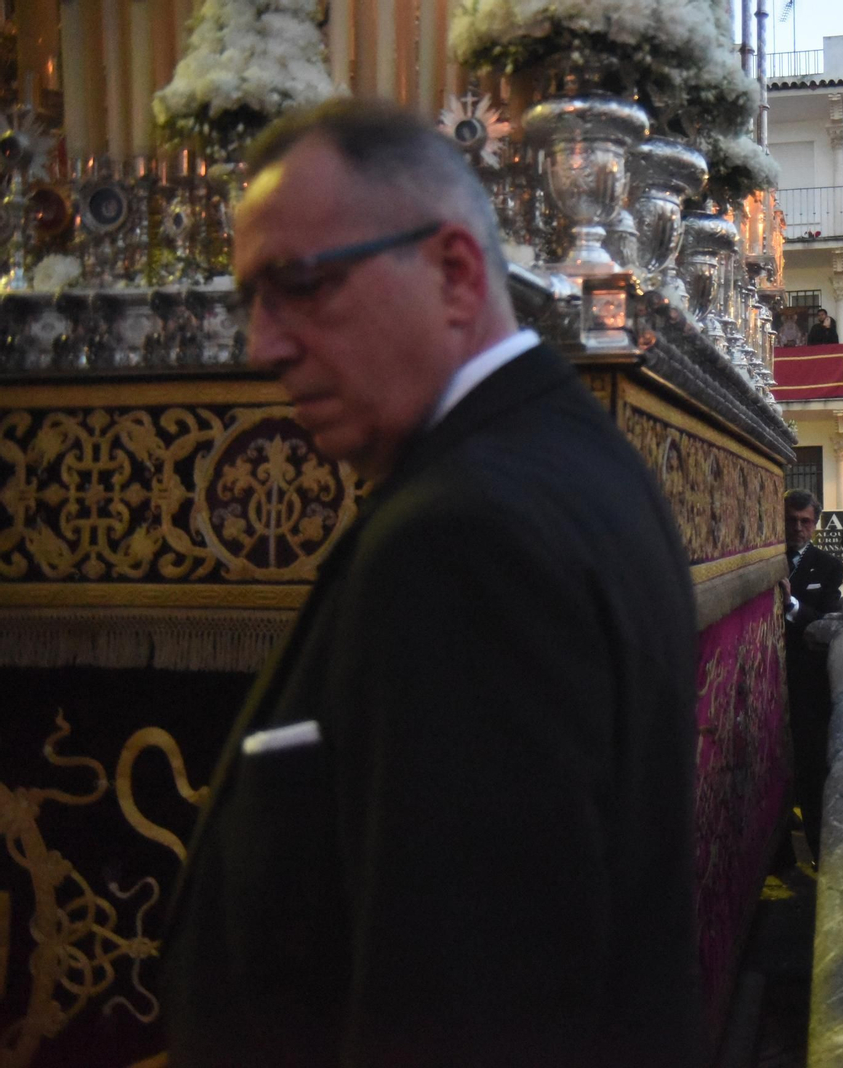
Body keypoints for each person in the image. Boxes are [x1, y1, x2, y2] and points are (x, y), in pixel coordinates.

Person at [162, 100, 703, 1066]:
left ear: (453, 272)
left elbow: (465, 1007)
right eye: (250, 298)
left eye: (298, 286)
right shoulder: (573, 455)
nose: (263, 345)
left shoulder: (465, 544)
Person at [782, 488, 843, 863]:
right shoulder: (763, 558)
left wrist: (790, 603)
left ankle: (820, 851)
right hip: (764, 681)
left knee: (812, 766)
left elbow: (825, 621)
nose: (798, 528)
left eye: (805, 521)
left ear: (816, 523)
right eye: (791, 520)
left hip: (806, 681)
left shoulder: (828, 566)